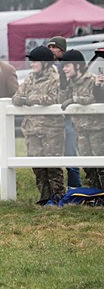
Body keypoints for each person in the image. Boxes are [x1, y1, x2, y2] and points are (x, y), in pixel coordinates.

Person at [11, 46, 64, 204]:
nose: (31, 64)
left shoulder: (56, 78)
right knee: (37, 166)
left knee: (53, 166)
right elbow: (17, 96)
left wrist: (29, 100)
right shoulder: (29, 78)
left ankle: (58, 197)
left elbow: (53, 99)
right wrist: (21, 100)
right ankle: (44, 197)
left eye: (35, 61)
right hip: (32, 129)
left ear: (45, 63)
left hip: (51, 130)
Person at [58, 49, 103, 189]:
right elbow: (60, 103)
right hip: (80, 130)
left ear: (77, 66)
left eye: (67, 65)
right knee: (88, 167)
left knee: (101, 166)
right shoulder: (70, 83)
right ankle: (96, 195)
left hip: (96, 129)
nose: (64, 69)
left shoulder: (92, 80)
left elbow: (92, 98)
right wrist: (63, 86)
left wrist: (73, 100)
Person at [47, 35, 82, 188]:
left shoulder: (68, 69)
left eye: (53, 47)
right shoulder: (52, 68)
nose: (51, 50)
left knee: (71, 152)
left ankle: (75, 187)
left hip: (72, 118)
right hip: (58, 117)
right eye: (49, 47)